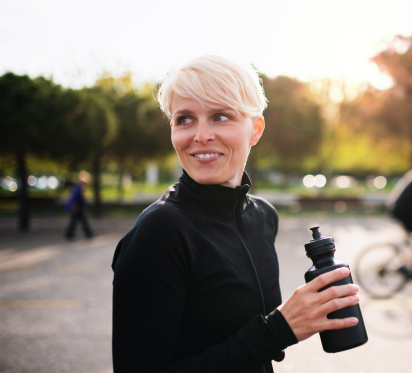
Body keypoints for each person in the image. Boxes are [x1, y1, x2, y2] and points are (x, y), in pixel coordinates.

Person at [111, 55, 360, 373]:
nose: (200, 135)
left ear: (255, 130)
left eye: (220, 116)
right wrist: (277, 330)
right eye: (184, 119)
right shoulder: (160, 231)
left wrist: (299, 317)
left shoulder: (263, 217)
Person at [65, 170, 93, 239]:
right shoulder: (79, 188)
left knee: (75, 221)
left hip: (77, 208)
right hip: (78, 208)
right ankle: (88, 234)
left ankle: (69, 234)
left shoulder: (77, 186)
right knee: (81, 221)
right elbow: (79, 199)